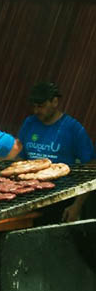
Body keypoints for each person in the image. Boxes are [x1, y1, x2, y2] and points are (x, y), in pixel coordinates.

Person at [18, 81, 96, 222]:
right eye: (34, 107)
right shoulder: (29, 123)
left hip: (60, 200)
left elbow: (91, 169)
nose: (36, 111)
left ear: (54, 102)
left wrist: (77, 206)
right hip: (28, 197)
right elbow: (20, 160)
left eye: (41, 106)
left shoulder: (73, 129)